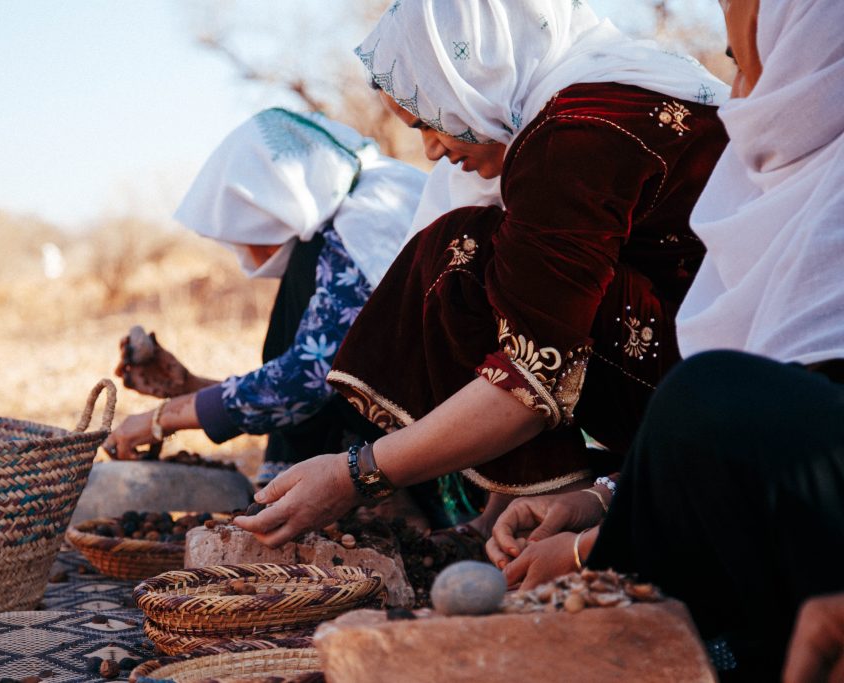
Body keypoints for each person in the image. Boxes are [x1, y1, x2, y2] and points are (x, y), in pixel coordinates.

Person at [234, 0, 729, 548]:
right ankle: (525, 503)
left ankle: (560, 498)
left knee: (461, 254)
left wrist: (357, 474)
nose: (431, 149)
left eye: (431, 119)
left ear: (478, 73)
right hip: (712, 365)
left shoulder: (573, 135)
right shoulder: (617, 84)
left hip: (712, 392)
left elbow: (531, 374)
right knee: (493, 253)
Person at [488, 0, 844, 678]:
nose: (738, 97)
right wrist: (599, 498)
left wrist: (587, 551)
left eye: (745, 63)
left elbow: (771, 420)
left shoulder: (579, 133)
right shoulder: (791, 184)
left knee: (707, 395)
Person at [102, 108, 426, 487]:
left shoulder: (358, 228)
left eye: (244, 222)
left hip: (433, 459)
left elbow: (308, 381)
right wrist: (188, 385)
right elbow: (317, 379)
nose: (242, 246)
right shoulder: (370, 200)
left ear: (273, 201)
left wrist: (161, 419)